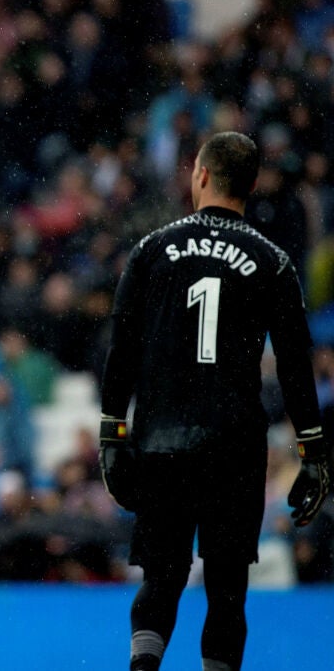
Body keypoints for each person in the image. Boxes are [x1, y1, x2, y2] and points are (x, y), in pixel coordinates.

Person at [98, 132, 331, 671]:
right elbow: (296, 366)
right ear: (251, 185)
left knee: (162, 578)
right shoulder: (273, 261)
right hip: (234, 446)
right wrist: (313, 452)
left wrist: (112, 434)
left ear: (200, 174)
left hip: (162, 441)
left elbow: (122, 349)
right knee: (227, 589)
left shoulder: (152, 249)